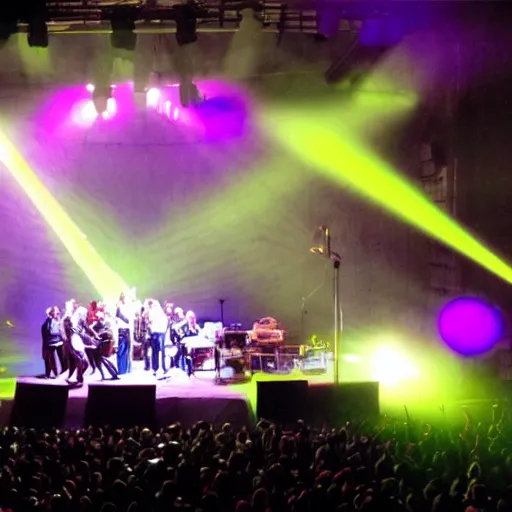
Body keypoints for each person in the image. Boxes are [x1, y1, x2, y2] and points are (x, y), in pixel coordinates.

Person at [90, 312, 119, 381]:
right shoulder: (109, 331)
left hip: (103, 350)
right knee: (106, 362)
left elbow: (97, 336)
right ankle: (113, 374)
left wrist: (91, 328)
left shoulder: (106, 332)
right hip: (106, 349)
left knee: (102, 360)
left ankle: (110, 374)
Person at [41, 306, 66, 378]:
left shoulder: (59, 321)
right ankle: (50, 373)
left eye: (57, 311)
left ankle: (62, 373)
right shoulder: (47, 323)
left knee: (62, 358)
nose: (58, 312)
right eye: (56, 311)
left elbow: (61, 332)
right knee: (50, 359)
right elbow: (50, 332)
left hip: (59, 342)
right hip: (51, 343)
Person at [146, 299, 169, 377]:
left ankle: (159, 368)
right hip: (156, 334)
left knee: (158, 352)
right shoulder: (156, 312)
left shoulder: (156, 311)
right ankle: (157, 368)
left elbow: (162, 323)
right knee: (156, 352)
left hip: (158, 334)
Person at [116, 292, 134, 375]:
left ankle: (126, 370)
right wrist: (127, 320)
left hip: (127, 330)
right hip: (121, 330)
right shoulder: (119, 306)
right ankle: (121, 370)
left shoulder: (128, 307)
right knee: (121, 350)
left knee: (127, 350)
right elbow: (118, 315)